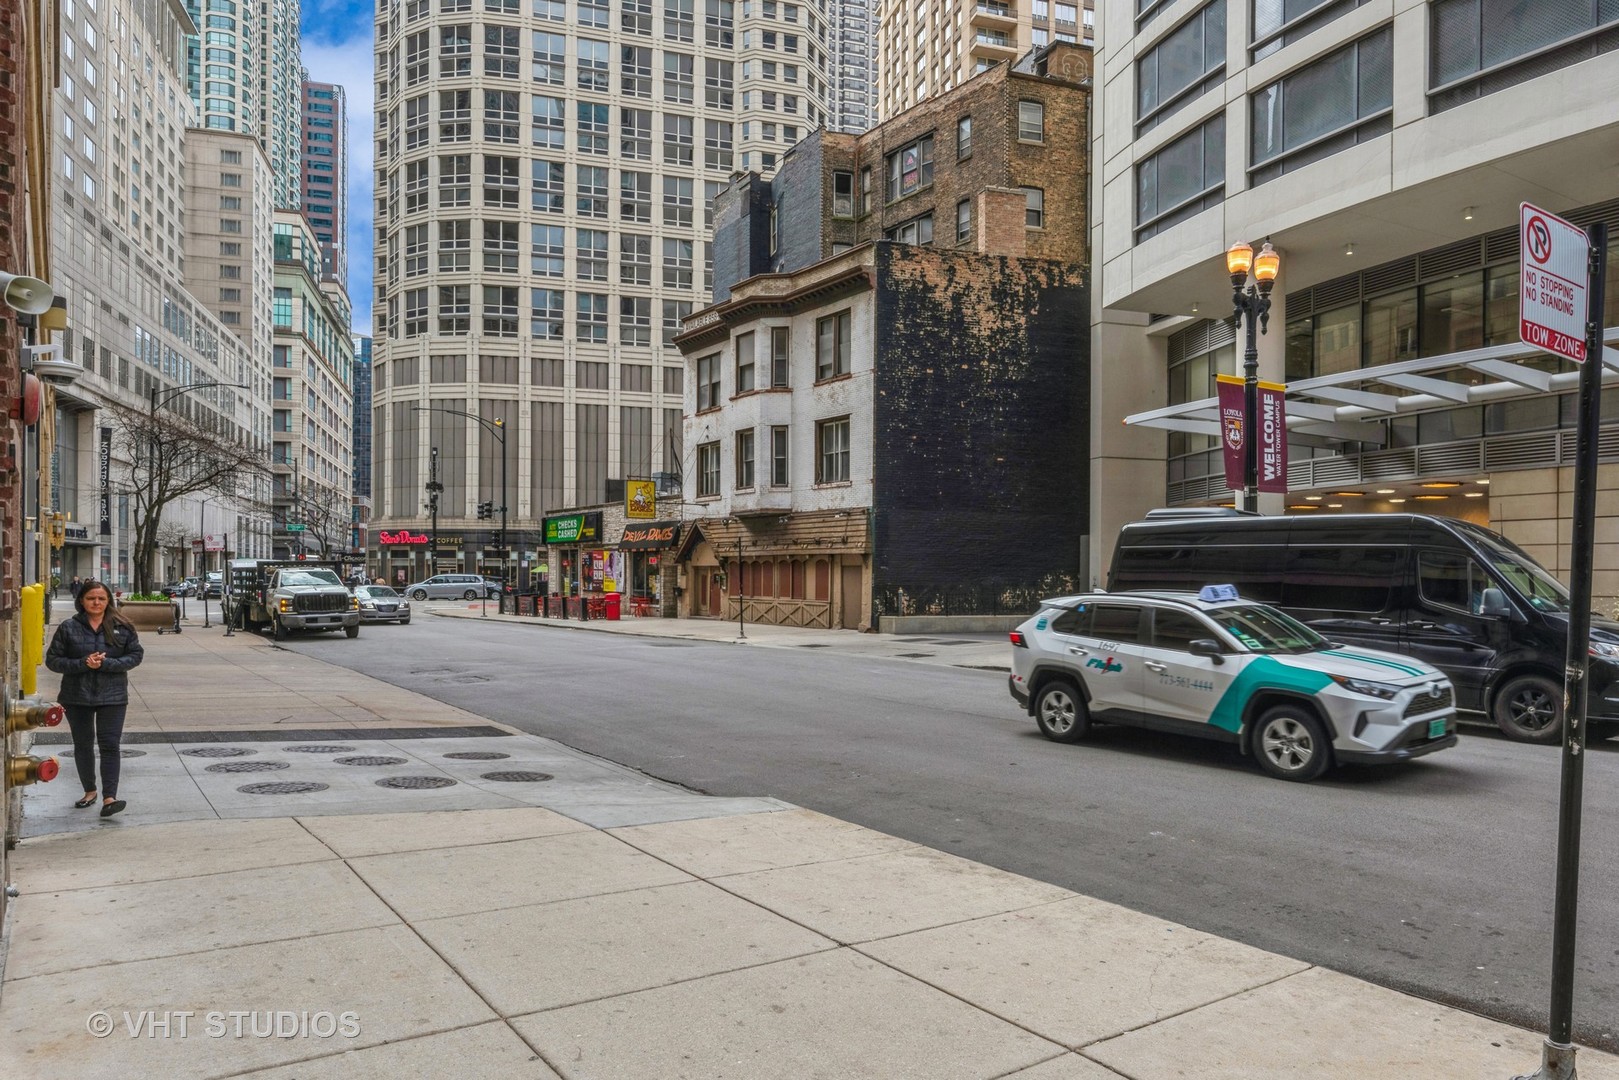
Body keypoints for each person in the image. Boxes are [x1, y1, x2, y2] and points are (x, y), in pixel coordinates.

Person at [45, 580, 145, 818]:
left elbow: (136, 655)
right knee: (83, 745)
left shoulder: (122, 626)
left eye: (101, 598)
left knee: (110, 745)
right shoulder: (69, 627)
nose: (96, 603)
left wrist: (107, 664)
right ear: (82, 601)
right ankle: (89, 791)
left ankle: (110, 797)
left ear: (108, 600)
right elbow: (53, 660)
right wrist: (83, 664)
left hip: (113, 696)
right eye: (91, 598)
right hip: (76, 696)